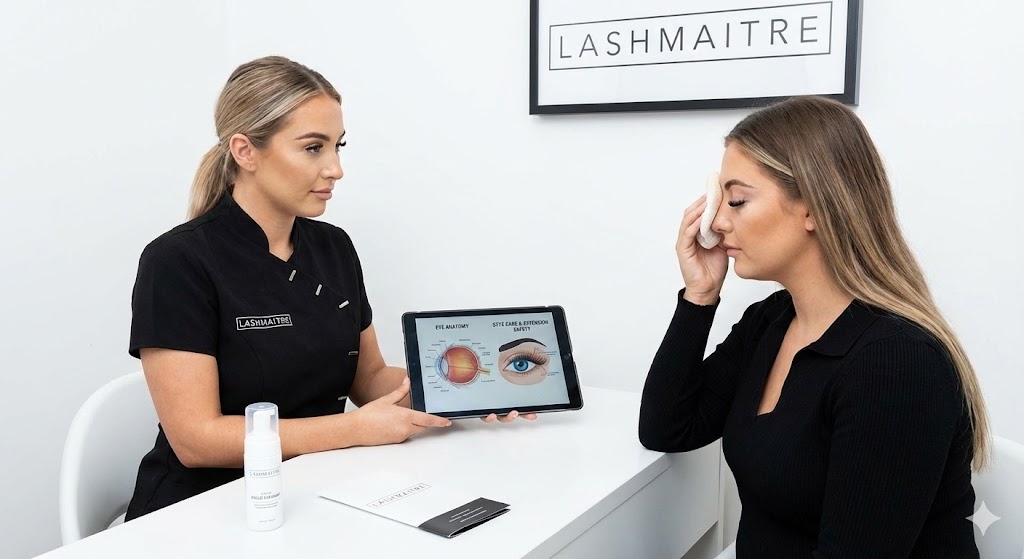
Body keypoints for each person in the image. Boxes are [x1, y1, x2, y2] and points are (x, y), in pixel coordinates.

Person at [126, 56, 534, 520]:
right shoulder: (177, 261)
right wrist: (354, 429)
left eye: (338, 146)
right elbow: (196, 439)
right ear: (245, 151)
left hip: (321, 487)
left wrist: (467, 391)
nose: (336, 169)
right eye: (313, 148)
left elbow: (370, 379)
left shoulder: (333, 246)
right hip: (202, 510)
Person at [638, 96, 988, 558]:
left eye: (738, 200)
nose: (717, 222)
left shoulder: (896, 363)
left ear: (815, 208)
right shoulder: (772, 320)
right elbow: (667, 428)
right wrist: (699, 297)